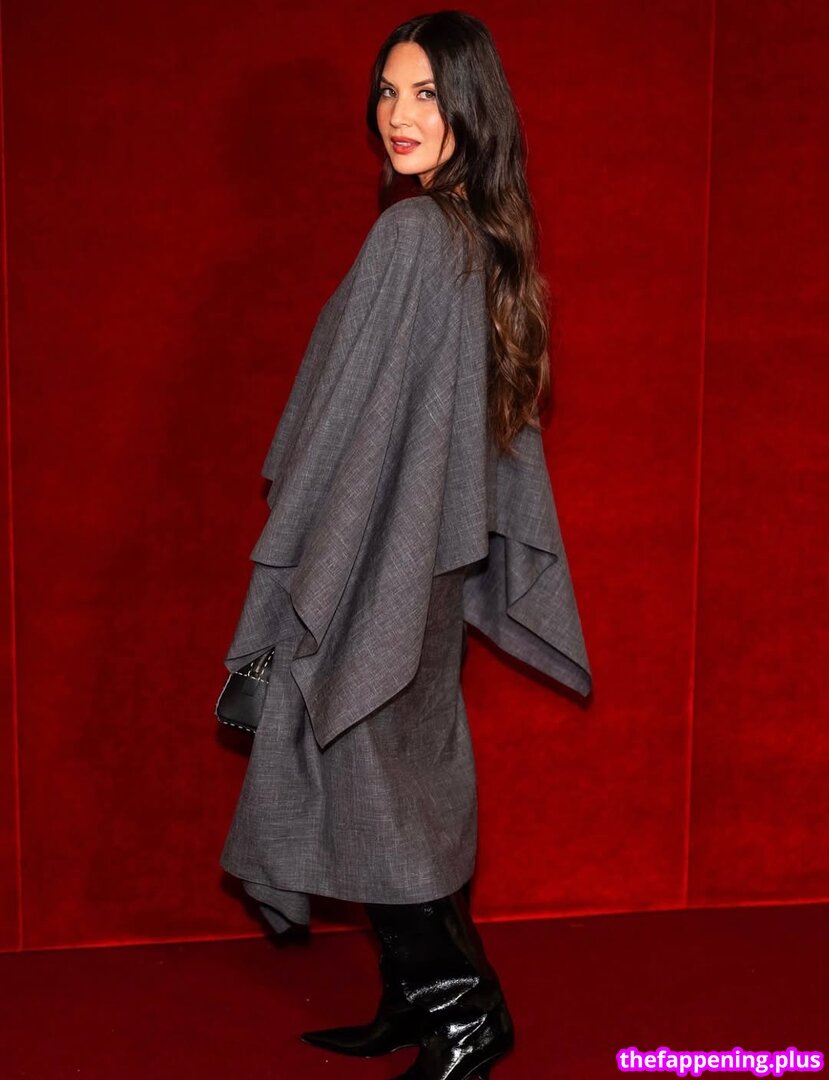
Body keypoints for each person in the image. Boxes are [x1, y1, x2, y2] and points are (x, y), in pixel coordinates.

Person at [217, 11, 592, 1079]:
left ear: (471, 105)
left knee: (373, 772)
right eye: (387, 91)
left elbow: (348, 425)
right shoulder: (471, 235)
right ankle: (412, 999)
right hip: (420, 561)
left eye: (425, 92)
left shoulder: (413, 235)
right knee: (392, 774)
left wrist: (302, 564)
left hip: (378, 560)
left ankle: (463, 1014)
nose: (398, 114)